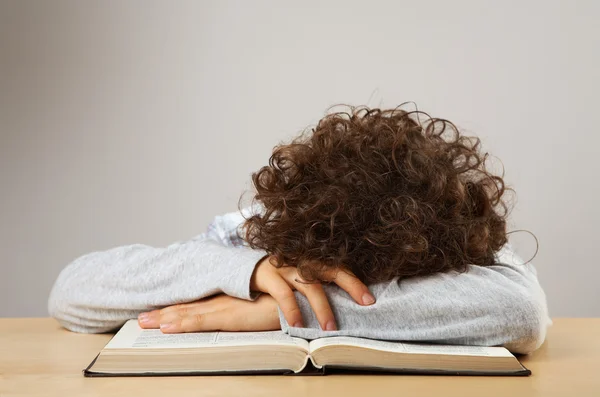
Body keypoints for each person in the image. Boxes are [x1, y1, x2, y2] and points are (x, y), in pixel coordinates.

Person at [48, 105, 550, 354]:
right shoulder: (258, 240)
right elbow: (72, 291)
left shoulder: (456, 242)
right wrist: (252, 273)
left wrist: (286, 314)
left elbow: (521, 311)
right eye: (325, 279)